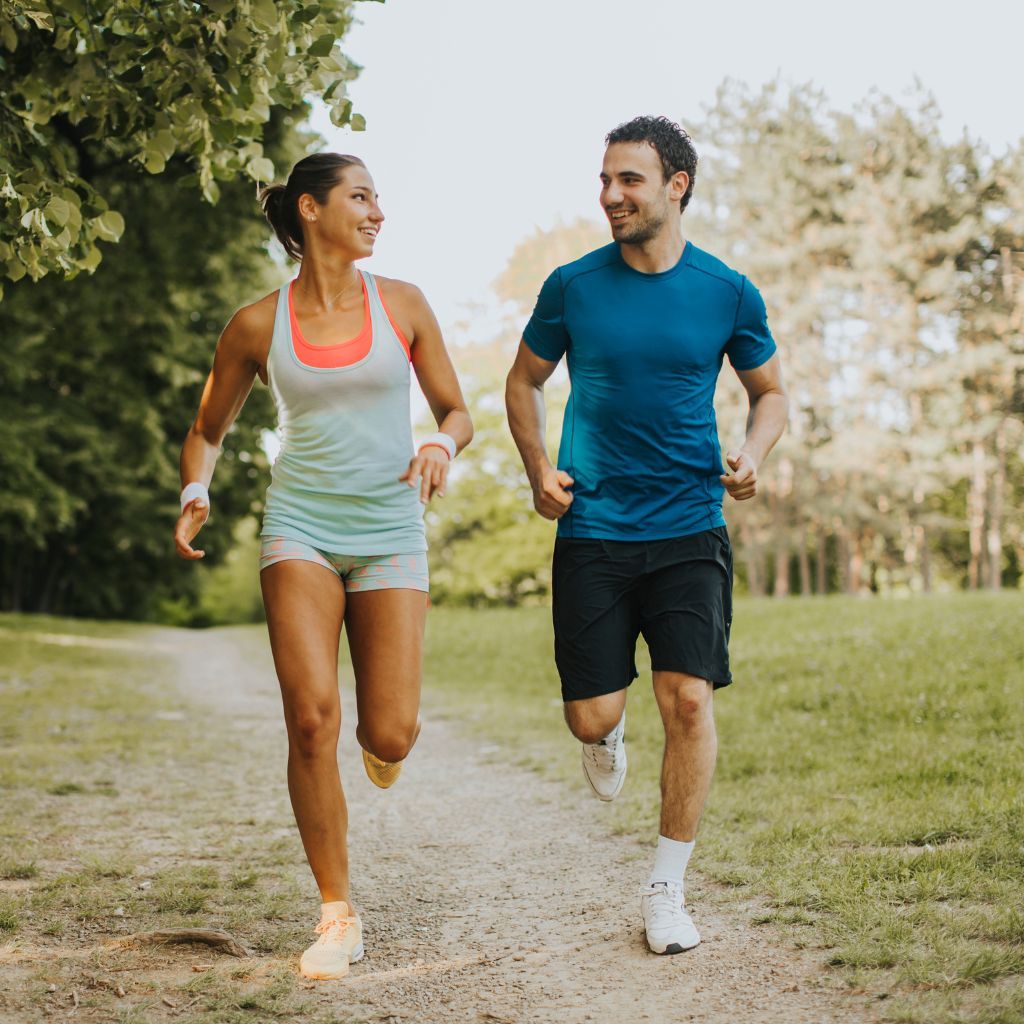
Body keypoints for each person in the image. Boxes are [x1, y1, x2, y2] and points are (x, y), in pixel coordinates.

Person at [173, 153, 472, 980]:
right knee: (310, 719)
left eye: (379, 198)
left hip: (389, 528)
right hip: (299, 526)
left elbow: (456, 408)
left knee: (390, 730)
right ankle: (337, 913)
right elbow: (208, 425)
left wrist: (441, 442)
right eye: (362, 197)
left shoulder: (402, 305)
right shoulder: (255, 324)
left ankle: (386, 745)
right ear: (311, 210)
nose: (379, 212)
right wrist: (197, 484)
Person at [505, 116, 787, 955]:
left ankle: (666, 887)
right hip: (593, 526)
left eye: (628, 180)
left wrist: (752, 452)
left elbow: (770, 393)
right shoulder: (572, 286)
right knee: (591, 716)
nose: (610, 196)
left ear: (677, 185)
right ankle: (607, 731)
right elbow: (523, 383)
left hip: (688, 524)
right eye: (604, 180)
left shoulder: (727, 290)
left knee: (689, 700)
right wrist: (535, 469)